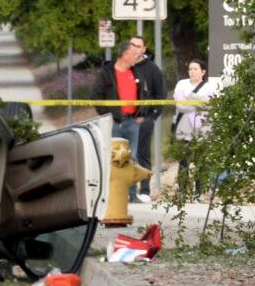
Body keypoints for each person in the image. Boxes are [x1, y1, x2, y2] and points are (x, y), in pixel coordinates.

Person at [91, 39, 146, 201]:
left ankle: (132, 194)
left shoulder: (135, 72)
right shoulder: (106, 73)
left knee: (132, 158)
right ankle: (114, 194)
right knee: (114, 158)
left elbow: (142, 94)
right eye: (134, 54)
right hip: (114, 123)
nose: (137, 57)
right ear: (125, 54)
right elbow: (95, 96)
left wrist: (140, 113)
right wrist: (108, 115)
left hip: (132, 122)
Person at [172, 59, 220, 197]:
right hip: (185, 128)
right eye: (190, 69)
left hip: (203, 128)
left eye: (195, 69)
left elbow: (210, 105)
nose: (192, 72)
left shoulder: (211, 86)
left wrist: (191, 100)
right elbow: (180, 105)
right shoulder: (182, 84)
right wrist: (198, 101)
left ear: (203, 72)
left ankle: (199, 193)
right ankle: (182, 191)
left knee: (202, 161)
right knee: (184, 160)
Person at [131, 36, 167, 203]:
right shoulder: (123, 66)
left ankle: (144, 190)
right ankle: (127, 190)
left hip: (144, 119)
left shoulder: (152, 69)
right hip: (124, 120)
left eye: (138, 46)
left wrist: (152, 116)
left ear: (144, 49)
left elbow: (160, 95)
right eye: (132, 45)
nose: (135, 48)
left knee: (143, 154)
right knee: (124, 155)